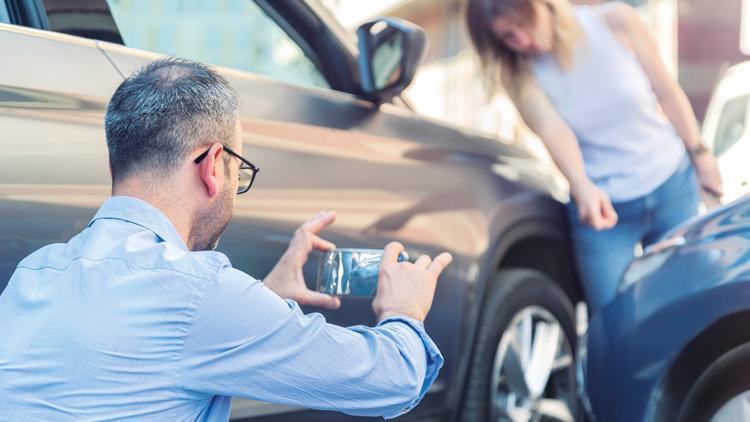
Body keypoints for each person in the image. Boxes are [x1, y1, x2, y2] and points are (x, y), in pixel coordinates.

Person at [0, 58, 453, 420]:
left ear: (116, 164)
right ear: (213, 165)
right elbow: (390, 380)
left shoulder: (36, 273)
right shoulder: (199, 293)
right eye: (240, 170)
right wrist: (403, 311)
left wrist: (264, 297)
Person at [466, 0, 723, 314]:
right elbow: (553, 130)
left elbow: (667, 90)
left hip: (671, 184)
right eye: (507, 36)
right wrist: (581, 185)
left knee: (696, 297)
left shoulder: (617, 22)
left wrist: (700, 154)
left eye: (523, 23)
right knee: (611, 320)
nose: (522, 40)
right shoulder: (519, 74)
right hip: (602, 210)